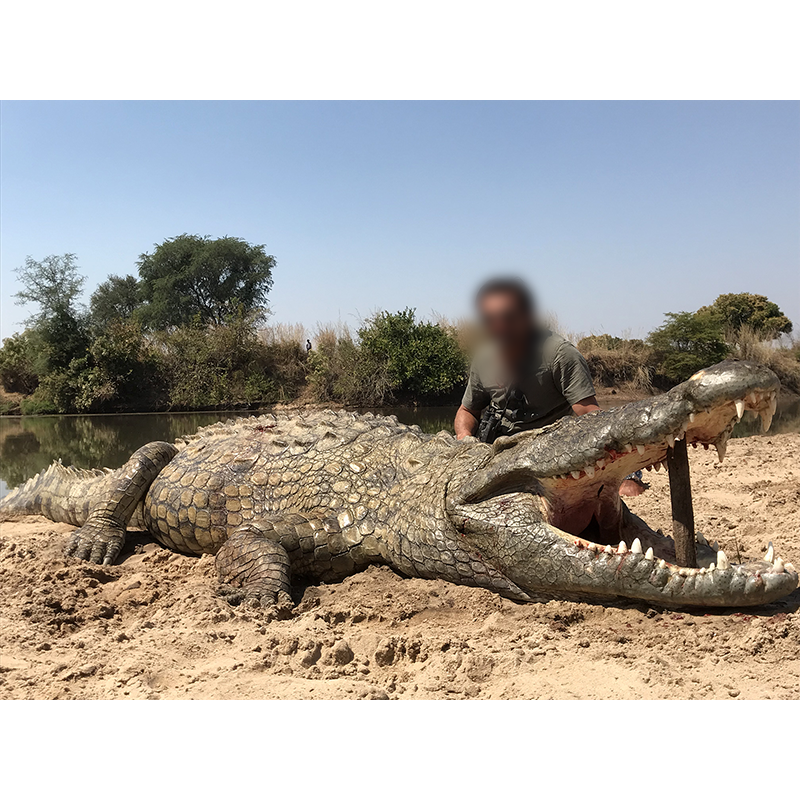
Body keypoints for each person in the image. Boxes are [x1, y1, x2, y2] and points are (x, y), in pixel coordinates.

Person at [454, 277, 646, 497]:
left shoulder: (560, 355)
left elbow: (589, 413)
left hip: (552, 455)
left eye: (508, 317)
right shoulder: (483, 358)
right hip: (500, 456)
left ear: (527, 317)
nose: (499, 326)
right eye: (490, 319)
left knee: (626, 491)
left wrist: (623, 466)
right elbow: (467, 410)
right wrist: (464, 438)